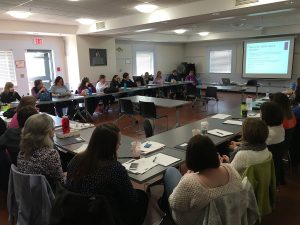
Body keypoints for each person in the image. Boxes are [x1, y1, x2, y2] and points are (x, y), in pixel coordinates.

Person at [66, 123, 148, 225]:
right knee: (142, 196)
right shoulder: (115, 169)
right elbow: (131, 199)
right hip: (103, 216)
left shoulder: (76, 159)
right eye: (118, 142)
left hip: (76, 212)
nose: (120, 144)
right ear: (110, 145)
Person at [160, 135, 242, 225]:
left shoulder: (190, 182)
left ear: (191, 159)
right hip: (228, 218)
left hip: (193, 221)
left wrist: (184, 178)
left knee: (170, 171)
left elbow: (174, 203)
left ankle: (163, 209)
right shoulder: (231, 169)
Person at [17, 114, 64, 190]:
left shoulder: (22, 152)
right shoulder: (50, 155)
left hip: (27, 196)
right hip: (48, 197)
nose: (54, 130)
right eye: (52, 127)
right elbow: (61, 183)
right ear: (47, 132)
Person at [261, 102, 286, 185]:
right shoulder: (280, 127)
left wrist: (237, 145)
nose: (260, 114)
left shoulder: (269, 134)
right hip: (274, 162)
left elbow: (254, 145)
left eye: (261, 112)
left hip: (264, 164)